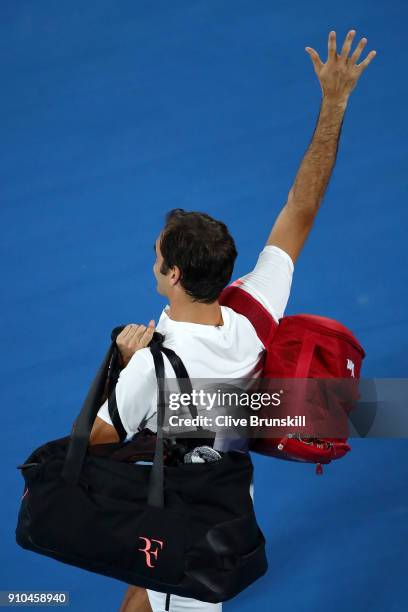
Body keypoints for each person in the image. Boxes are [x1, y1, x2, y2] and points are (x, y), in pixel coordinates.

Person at [89, 29, 376, 612]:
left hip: (185, 526)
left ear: (172, 276)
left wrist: (122, 365)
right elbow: (302, 205)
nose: (152, 260)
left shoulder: (154, 365)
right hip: (217, 499)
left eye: (156, 254)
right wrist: (335, 103)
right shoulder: (254, 307)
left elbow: (98, 446)